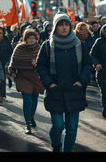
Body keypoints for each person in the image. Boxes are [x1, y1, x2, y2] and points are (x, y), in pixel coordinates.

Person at [36, 13, 92, 152]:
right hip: (55, 92)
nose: (64, 28)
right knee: (58, 126)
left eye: (67, 24)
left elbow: (87, 64)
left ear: (71, 26)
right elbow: (41, 66)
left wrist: (82, 81)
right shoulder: (47, 46)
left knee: (72, 129)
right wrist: (49, 83)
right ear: (55, 27)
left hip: (74, 91)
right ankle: (56, 145)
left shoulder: (79, 45)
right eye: (61, 25)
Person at [8, 29, 44, 134]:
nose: (32, 40)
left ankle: (31, 116)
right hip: (23, 77)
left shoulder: (39, 48)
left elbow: (45, 62)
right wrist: (12, 71)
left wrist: (37, 62)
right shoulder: (19, 48)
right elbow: (13, 61)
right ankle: (27, 123)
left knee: (34, 99)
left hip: (36, 77)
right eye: (29, 38)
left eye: (33, 38)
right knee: (27, 99)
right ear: (25, 39)